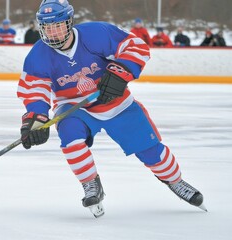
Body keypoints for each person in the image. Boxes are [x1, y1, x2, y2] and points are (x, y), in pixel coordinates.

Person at [17, 0, 206, 218]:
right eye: (47, 27)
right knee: (70, 136)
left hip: (116, 103)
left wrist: (120, 72)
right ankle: (90, 184)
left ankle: (175, 180)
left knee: (151, 151)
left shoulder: (97, 33)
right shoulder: (37, 55)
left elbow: (136, 46)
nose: (53, 32)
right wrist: (36, 119)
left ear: (69, 22)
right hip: (74, 108)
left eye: (57, 25)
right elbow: (34, 90)